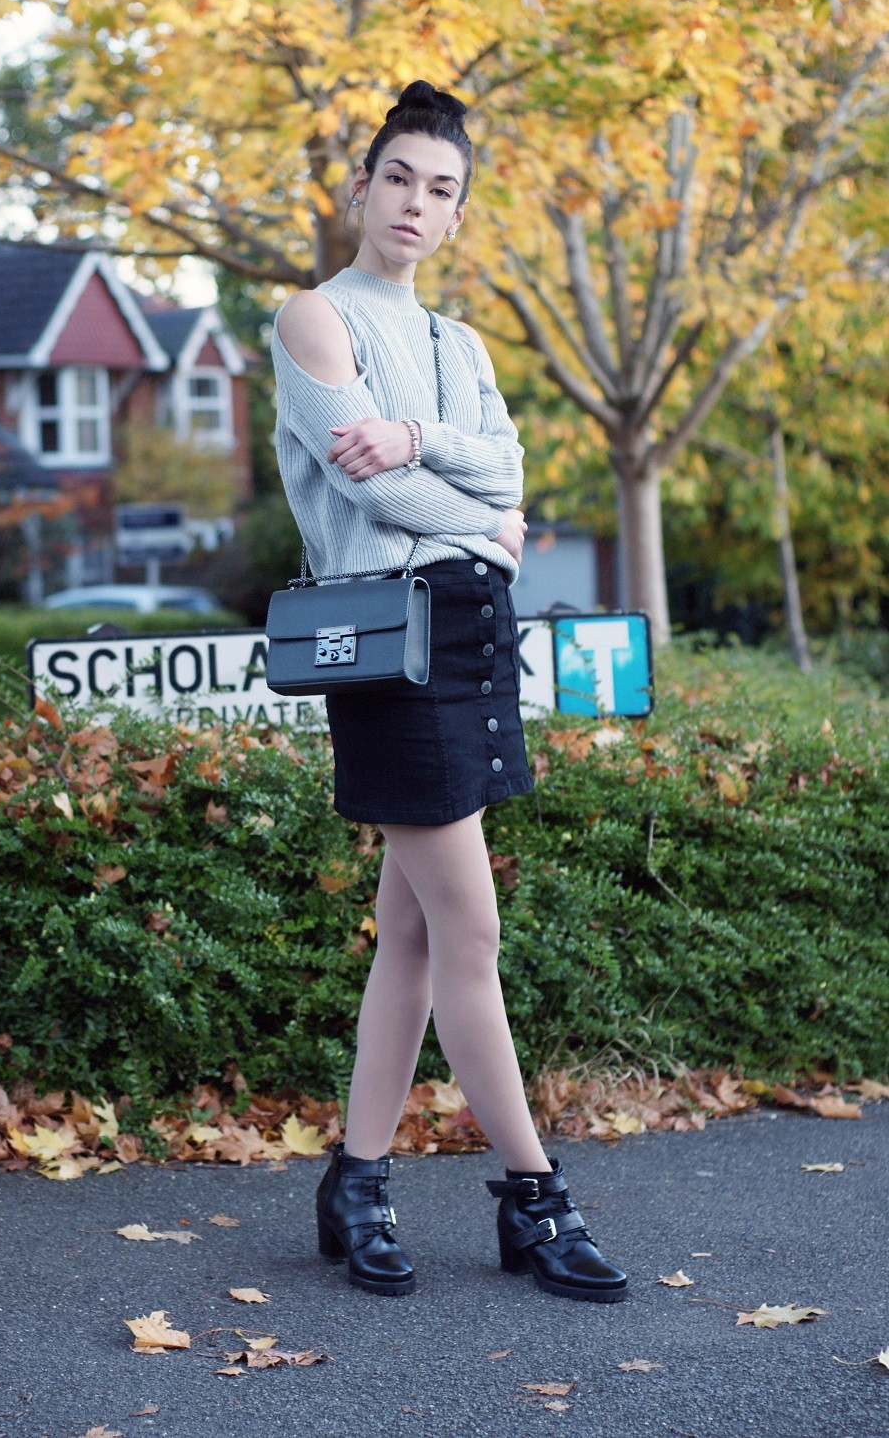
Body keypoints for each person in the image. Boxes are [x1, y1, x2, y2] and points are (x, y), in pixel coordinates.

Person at [270, 80, 628, 1304]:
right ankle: (534, 1197)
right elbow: (369, 498)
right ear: (360, 185)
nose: (416, 204)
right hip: (386, 643)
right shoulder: (311, 320)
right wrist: (481, 515)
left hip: (470, 630)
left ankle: (354, 1182)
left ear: (457, 210)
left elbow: (505, 468)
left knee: (417, 936)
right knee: (468, 932)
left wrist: (424, 447)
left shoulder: (460, 345)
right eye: (399, 178)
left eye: (442, 189)